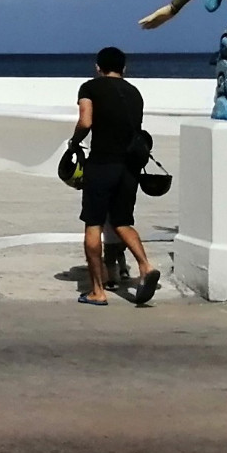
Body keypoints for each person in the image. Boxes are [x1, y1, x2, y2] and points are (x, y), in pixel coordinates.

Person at [68, 46, 161, 306]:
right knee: (122, 222)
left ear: (98, 67)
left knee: (93, 224)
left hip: (101, 164)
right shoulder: (135, 93)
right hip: (129, 167)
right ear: (124, 68)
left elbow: (86, 122)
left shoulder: (90, 88)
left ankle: (98, 291)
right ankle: (145, 266)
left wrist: (74, 143)